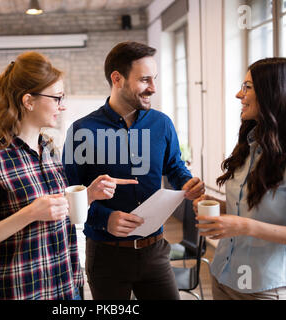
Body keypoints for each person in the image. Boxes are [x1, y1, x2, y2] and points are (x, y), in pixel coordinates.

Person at [0, 52, 136, 300]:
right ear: (28, 101)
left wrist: (88, 195)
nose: (62, 105)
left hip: (67, 286)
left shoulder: (51, 150)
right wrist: (30, 212)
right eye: (56, 98)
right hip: (22, 292)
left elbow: (55, 211)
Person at [62, 41, 205, 300]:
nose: (153, 88)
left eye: (155, 79)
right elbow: (71, 199)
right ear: (117, 78)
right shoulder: (81, 131)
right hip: (106, 256)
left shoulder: (162, 124)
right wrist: (104, 218)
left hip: (156, 253)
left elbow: (174, 167)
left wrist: (187, 183)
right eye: (145, 80)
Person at [193, 58, 286, 300]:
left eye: (247, 87)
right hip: (222, 275)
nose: (238, 94)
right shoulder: (249, 145)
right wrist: (216, 205)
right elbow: (248, 209)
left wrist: (244, 226)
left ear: (274, 92)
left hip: (264, 288)